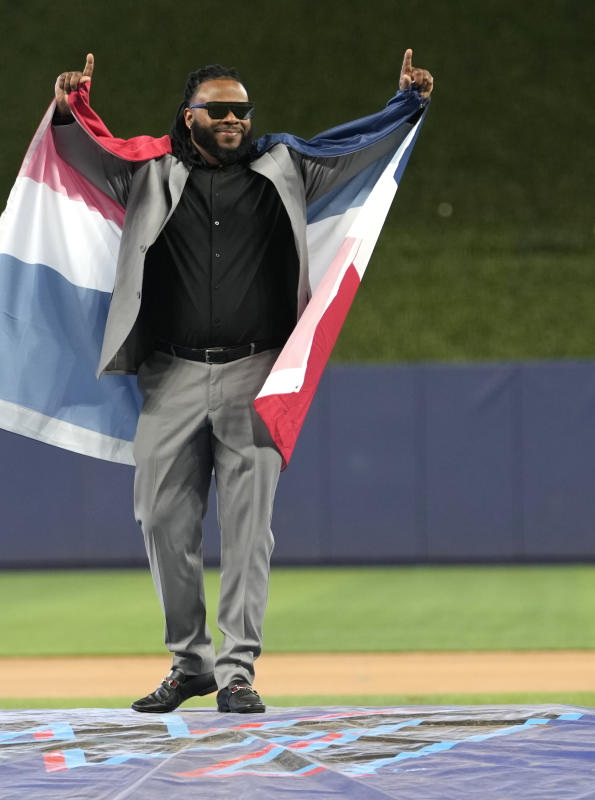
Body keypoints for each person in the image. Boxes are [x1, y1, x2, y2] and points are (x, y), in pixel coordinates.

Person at [51, 51, 433, 714]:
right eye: (218, 109)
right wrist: (69, 108)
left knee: (250, 527)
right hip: (170, 375)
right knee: (162, 520)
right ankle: (190, 662)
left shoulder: (283, 165)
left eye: (241, 110)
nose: (233, 119)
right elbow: (86, 157)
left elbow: (355, 150)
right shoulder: (149, 170)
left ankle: (236, 672)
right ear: (187, 116)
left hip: (257, 373)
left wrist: (405, 104)